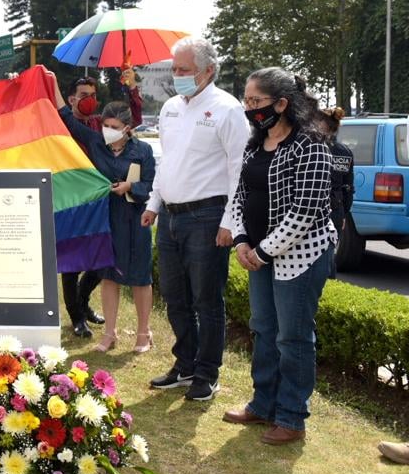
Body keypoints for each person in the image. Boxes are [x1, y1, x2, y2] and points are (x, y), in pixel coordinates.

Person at [222, 68, 336, 445]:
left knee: (294, 338)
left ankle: (291, 417)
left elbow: (305, 210)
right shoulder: (256, 144)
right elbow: (240, 195)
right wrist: (241, 240)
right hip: (256, 254)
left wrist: (263, 251)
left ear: (282, 103)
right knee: (264, 329)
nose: (250, 109)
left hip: (300, 257)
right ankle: (263, 403)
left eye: (256, 102)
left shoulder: (311, 144)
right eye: (247, 101)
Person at [141, 37, 248, 402]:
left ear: (208, 71)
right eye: (174, 69)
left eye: (184, 70)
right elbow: (165, 162)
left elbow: (239, 170)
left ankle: (207, 373)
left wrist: (230, 221)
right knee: (174, 297)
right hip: (169, 216)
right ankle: (184, 365)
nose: (177, 76)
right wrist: (154, 203)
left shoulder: (227, 109)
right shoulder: (171, 108)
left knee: (207, 299)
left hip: (207, 216)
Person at [55, 96, 156, 354]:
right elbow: (67, 118)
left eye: (113, 126)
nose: (108, 131)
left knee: (140, 279)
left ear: (127, 128)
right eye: (105, 125)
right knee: (108, 277)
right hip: (106, 221)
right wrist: (52, 83)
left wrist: (130, 187)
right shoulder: (96, 142)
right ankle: (110, 333)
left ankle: (143, 333)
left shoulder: (143, 151)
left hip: (135, 219)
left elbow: (151, 186)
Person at [318, 107, 354, 237]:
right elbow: (348, 187)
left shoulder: (313, 149)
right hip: (336, 211)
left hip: (314, 211)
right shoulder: (346, 152)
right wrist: (344, 213)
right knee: (330, 252)